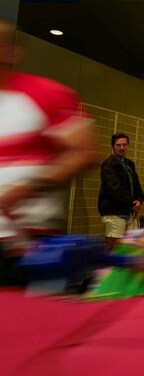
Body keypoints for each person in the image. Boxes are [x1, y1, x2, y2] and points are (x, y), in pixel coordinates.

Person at [0, 16, 95, 282]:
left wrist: (29, 187)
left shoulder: (47, 94)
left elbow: (84, 152)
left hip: (25, 243)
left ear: (11, 52)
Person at [98, 132, 144, 252]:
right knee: (113, 245)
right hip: (114, 210)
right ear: (113, 147)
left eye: (124, 145)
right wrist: (132, 204)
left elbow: (136, 184)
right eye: (118, 145)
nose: (122, 147)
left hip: (129, 210)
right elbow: (114, 189)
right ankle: (108, 268)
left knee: (131, 245)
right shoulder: (108, 165)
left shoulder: (130, 164)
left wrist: (139, 200)